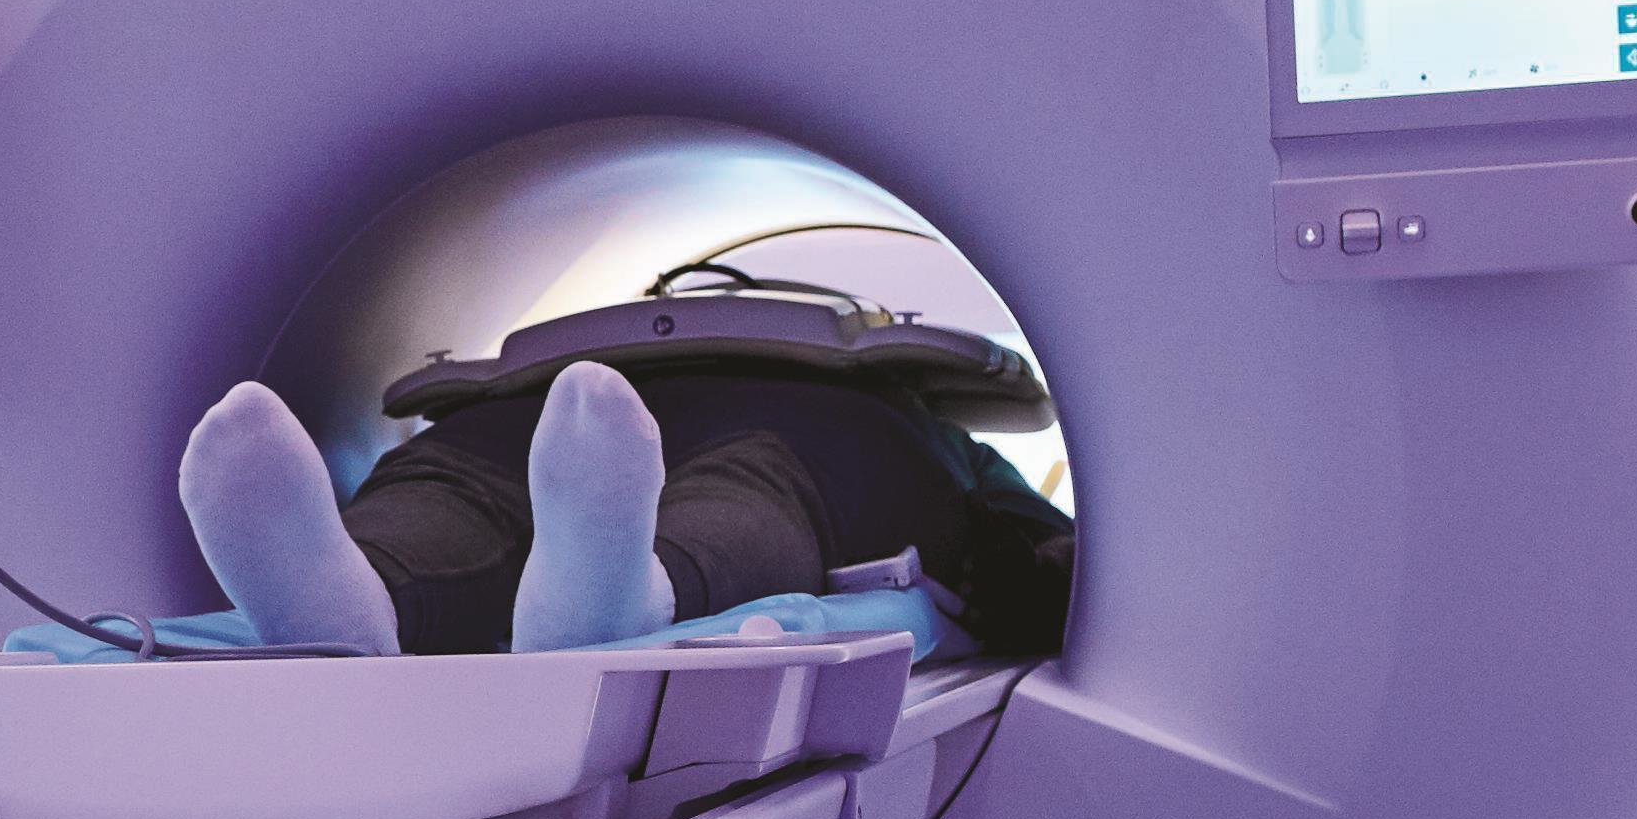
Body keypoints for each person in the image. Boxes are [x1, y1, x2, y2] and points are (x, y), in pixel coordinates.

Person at [174, 346, 1074, 662]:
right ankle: (345, 601)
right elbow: (1055, 556)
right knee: (754, 495)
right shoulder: (942, 433)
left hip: (520, 409)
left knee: (456, 480)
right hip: (811, 426)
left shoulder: (924, 426)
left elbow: (1050, 566)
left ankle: (361, 594)